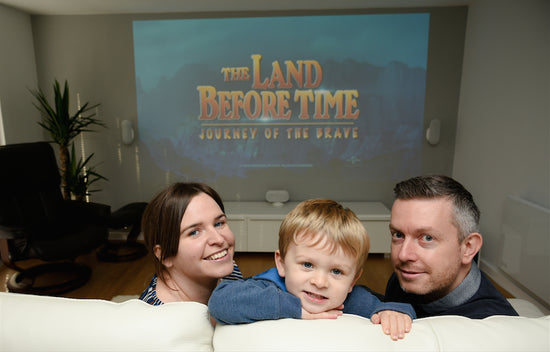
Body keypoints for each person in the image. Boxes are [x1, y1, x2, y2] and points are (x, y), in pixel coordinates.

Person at [209, 199, 416, 340]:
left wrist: (393, 313)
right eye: (308, 265)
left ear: (353, 280)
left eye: (336, 271)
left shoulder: (355, 300)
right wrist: (294, 309)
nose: (319, 282)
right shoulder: (267, 288)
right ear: (281, 263)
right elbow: (221, 302)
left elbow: (397, 310)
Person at [384, 175, 518, 318]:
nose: (403, 255)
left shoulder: (487, 327)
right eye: (398, 235)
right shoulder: (406, 277)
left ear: (468, 248)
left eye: (427, 238)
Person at [139, 182, 242, 306]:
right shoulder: (159, 319)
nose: (219, 239)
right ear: (164, 255)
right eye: (194, 232)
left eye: (219, 223)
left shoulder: (226, 269)